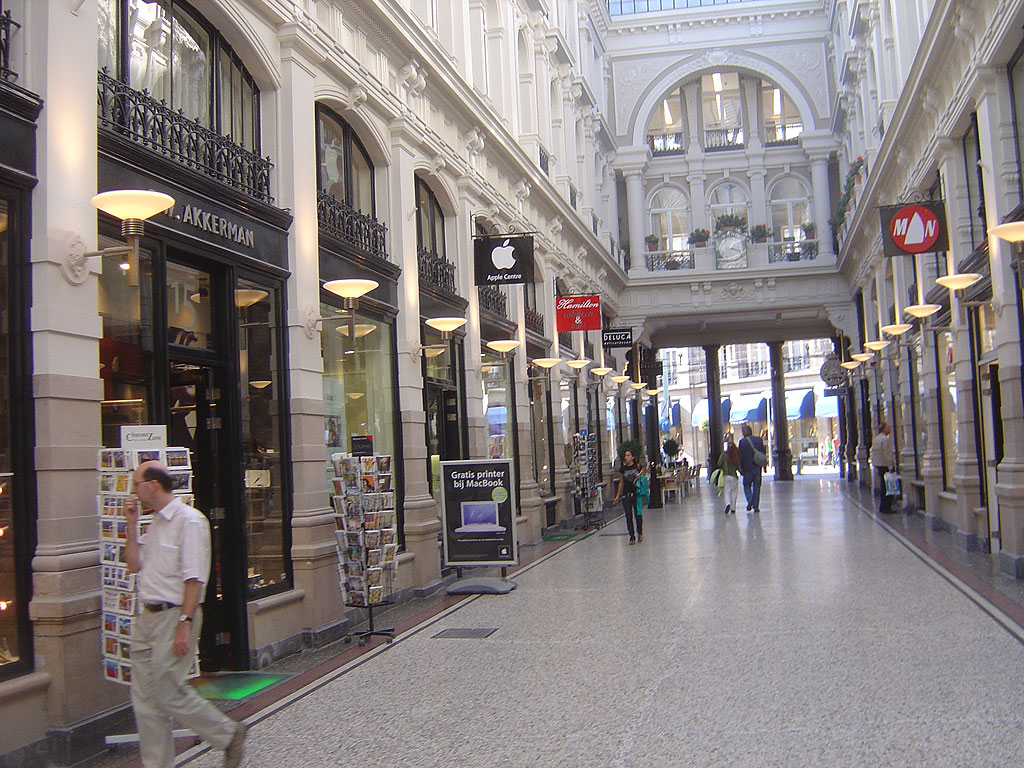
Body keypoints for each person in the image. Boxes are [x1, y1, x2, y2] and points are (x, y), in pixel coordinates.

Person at [125, 461, 247, 768]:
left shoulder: (190, 521)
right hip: (146, 618)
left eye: (136, 484)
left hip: (173, 615)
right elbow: (133, 566)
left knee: (168, 693)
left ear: (153, 485)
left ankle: (228, 734)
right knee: (145, 703)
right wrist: (130, 525)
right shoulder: (152, 522)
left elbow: (195, 578)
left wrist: (185, 623)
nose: (133, 492)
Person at [612, 449, 644, 544]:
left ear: (633, 457)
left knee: (638, 515)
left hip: (636, 494)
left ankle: (640, 532)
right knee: (628, 516)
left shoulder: (637, 466)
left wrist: (640, 477)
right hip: (626, 495)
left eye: (628, 455)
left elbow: (643, 476)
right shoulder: (623, 469)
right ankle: (632, 536)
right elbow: (621, 482)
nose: (626, 457)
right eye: (625, 456)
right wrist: (617, 496)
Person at [738, 423, 766, 513]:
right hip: (757, 467)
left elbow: (741, 457)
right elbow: (763, 454)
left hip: (747, 468)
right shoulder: (759, 440)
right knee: (757, 486)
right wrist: (764, 466)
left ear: (744, 433)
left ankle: (750, 500)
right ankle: (756, 506)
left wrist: (741, 469)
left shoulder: (742, 442)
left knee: (746, 485)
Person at [870, 422, 897, 514]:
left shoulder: (876, 439)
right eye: (888, 427)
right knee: (888, 487)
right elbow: (887, 453)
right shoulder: (885, 439)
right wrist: (891, 466)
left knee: (883, 486)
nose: (889, 429)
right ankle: (887, 507)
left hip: (879, 465)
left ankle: (883, 506)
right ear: (884, 429)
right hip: (885, 465)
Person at [717, 437, 741, 514]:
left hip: (726, 475)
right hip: (734, 475)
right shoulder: (735, 455)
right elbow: (738, 466)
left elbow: (719, 464)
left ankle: (728, 504)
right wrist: (742, 472)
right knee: (734, 492)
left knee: (726, 491)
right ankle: (733, 508)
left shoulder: (723, 455)